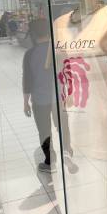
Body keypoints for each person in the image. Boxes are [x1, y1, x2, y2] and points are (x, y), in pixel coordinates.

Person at [22, 19, 73, 173]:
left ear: (34, 34)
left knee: (44, 130)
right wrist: (69, 94)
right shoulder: (60, 51)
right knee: (63, 126)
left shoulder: (30, 54)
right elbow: (68, 74)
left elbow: (27, 80)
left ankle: (50, 162)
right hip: (59, 98)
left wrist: (25, 103)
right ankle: (67, 152)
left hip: (40, 100)